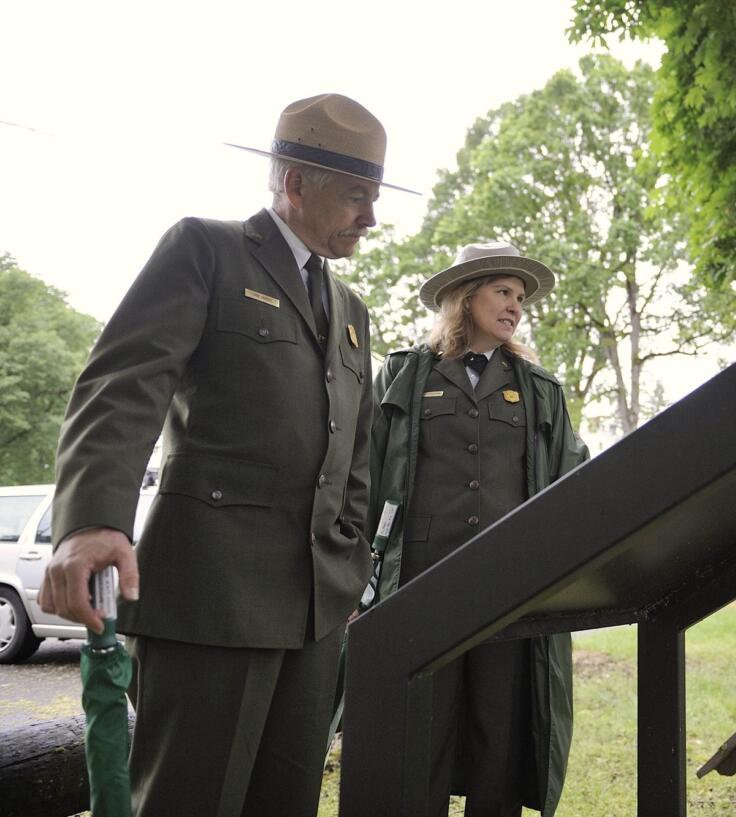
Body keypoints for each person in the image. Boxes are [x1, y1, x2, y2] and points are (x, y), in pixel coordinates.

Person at [38, 93, 415, 817]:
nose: (370, 217)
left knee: (287, 802)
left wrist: (352, 569)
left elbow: (357, 458)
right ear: (296, 183)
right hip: (211, 597)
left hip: (313, 612)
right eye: (356, 196)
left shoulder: (353, 313)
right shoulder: (206, 251)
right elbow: (123, 385)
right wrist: (90, 520)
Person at [366, 241, 588, 817]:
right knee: (426, 727)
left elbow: (574, 478)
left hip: (506, 585)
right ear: (466, 298)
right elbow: (362, 474)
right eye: (503, 292)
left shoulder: (538, 388)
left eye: (520, 297)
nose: (516, 306)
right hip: (421, 579)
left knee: (500, 728)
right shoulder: (405, 375)